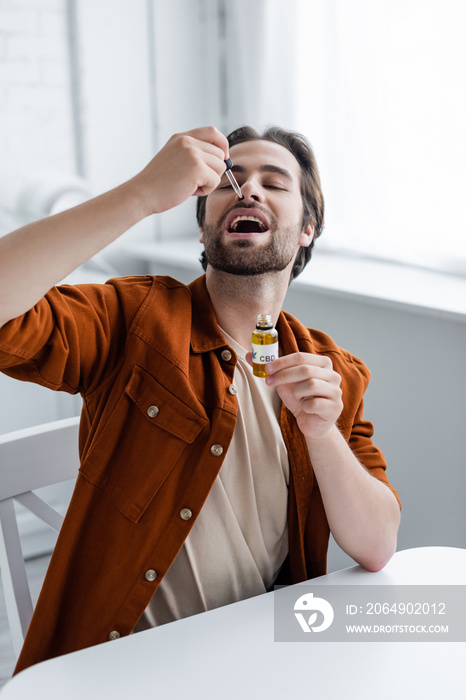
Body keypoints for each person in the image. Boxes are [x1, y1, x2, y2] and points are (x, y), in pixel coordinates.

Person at [0, 125, 401, 673]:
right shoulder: (137, 320)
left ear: (307, 228)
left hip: (262, 663)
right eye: (230, 182)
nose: (248, 190)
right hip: (116, 669)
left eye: (275, 182)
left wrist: (322, 432)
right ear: (205, 223)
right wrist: (141, 193)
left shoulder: (335, 376)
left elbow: (377, 545)